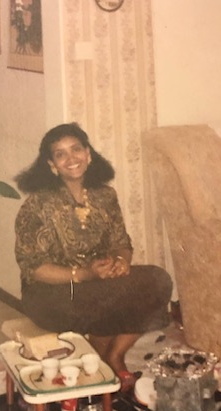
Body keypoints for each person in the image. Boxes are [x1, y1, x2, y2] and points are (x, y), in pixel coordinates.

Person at [14, 123, 173, 391]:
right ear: (52, 164)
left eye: (76, 149)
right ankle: (98, 361)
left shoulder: (105, 196)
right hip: (50, 293)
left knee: (158, 281)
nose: (71, 158)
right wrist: (86, 274)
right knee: (111, 299)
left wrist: (121, 262)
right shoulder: (38, 203)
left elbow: (122, 243)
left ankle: (113, 355)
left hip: (98, 281)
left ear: (88, 154)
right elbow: (34, 267)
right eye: (61, 154)